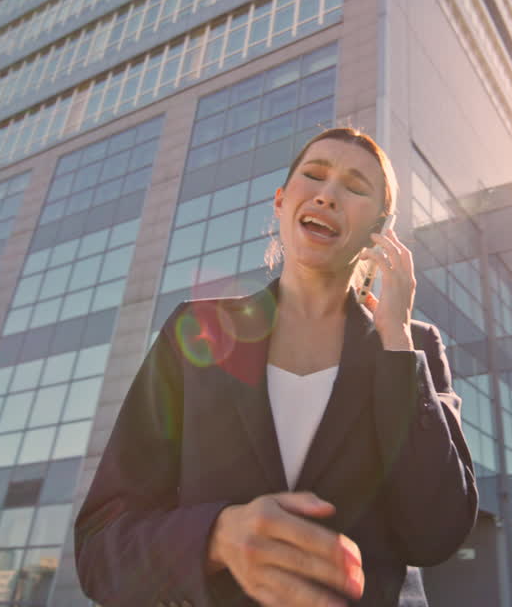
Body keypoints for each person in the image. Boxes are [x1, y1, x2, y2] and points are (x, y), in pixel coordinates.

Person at [75, 126, 477, 606]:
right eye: (315, 175)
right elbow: (102, 544)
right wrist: (218, 537)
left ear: (380, 230)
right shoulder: (198, 331)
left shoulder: (413, 349)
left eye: (354, 186)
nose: (328, 195)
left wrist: (395, 341)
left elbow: (436, 533)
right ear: (282, 201)